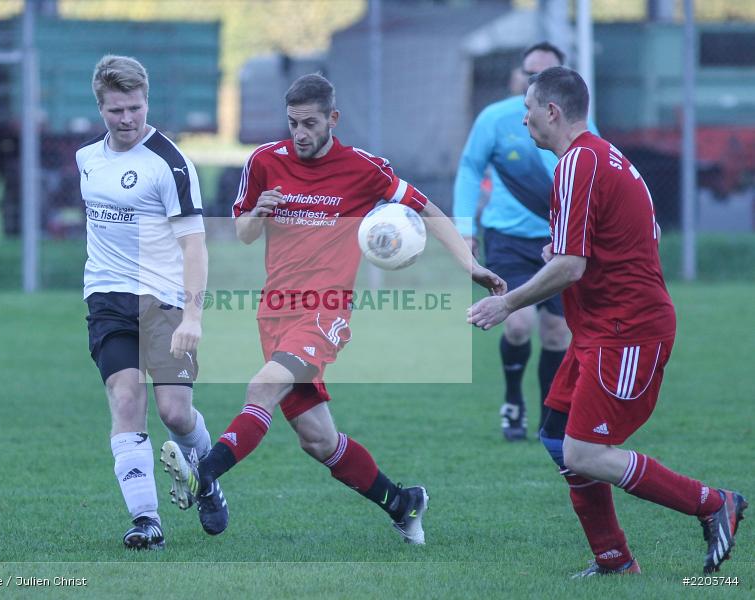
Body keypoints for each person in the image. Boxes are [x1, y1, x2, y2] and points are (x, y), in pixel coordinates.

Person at [160, 73, 505, 544]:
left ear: (332, 119)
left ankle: (205, 474)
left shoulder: (362, 168)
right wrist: (258, 212)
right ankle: (404, 503)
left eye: (309, 123)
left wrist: (470, 264)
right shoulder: (265, 160)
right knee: (318, 440)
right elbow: (243, 235)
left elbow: (427, 210)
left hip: (325, 312)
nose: (299, 133)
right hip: (274, 311)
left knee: (262, 387)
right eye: (293, 123)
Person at [467, 66, 747, 576]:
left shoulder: (578, 163)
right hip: (601, 328)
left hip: (627, 330)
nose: (523, 118)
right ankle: (613, 560)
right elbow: (614, 241)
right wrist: (563, 250)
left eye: (528, 109)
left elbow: (571, 267)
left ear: (552, 111)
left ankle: (712, 503)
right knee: (557, 437)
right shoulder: (599, 157)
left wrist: (507, 303)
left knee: (587, 453)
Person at [77, 55, 228, 550]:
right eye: (116, 110)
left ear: (147, 102)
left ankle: (207, 478)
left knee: (176, 414)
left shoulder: (170, 163)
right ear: (100, 107)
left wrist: (194, 316)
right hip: (106, 298)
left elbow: (194, 244)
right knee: (124, 400)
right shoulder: (87, 160)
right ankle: (147, 519)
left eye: (135, 108)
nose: (127, 119)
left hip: (164, 301)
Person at [454, 42, 591, 441]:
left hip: (558, 242)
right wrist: (466, 228)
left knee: (556, 334)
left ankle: (552, 413)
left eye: (547, 73)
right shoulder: (497, 119)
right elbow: (469, 167)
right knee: (517, 324)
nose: (536, 80)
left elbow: (596, 176)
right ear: (519, 76)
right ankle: (513, 399)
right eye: (531, 73)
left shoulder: (580, 128)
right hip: (508, 239)